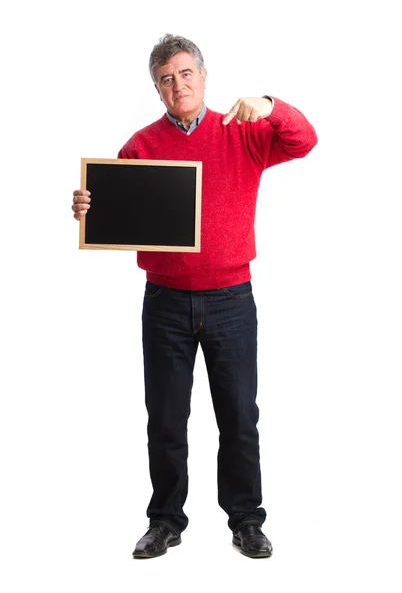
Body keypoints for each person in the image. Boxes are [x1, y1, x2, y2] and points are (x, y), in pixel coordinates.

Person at [72, 33, 317, 559]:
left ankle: (246, 520)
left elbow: (304, 140)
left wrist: (272, 105)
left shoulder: (244, 132)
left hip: (231, 298)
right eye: (166, 79)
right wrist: (91, 207)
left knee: (238, 416)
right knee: (164, 417)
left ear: (204, 78)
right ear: (157, 89)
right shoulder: (140, 146)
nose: (177, 85)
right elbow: (118, 216)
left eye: (186, 74)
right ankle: (165, 520)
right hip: (164, 302)